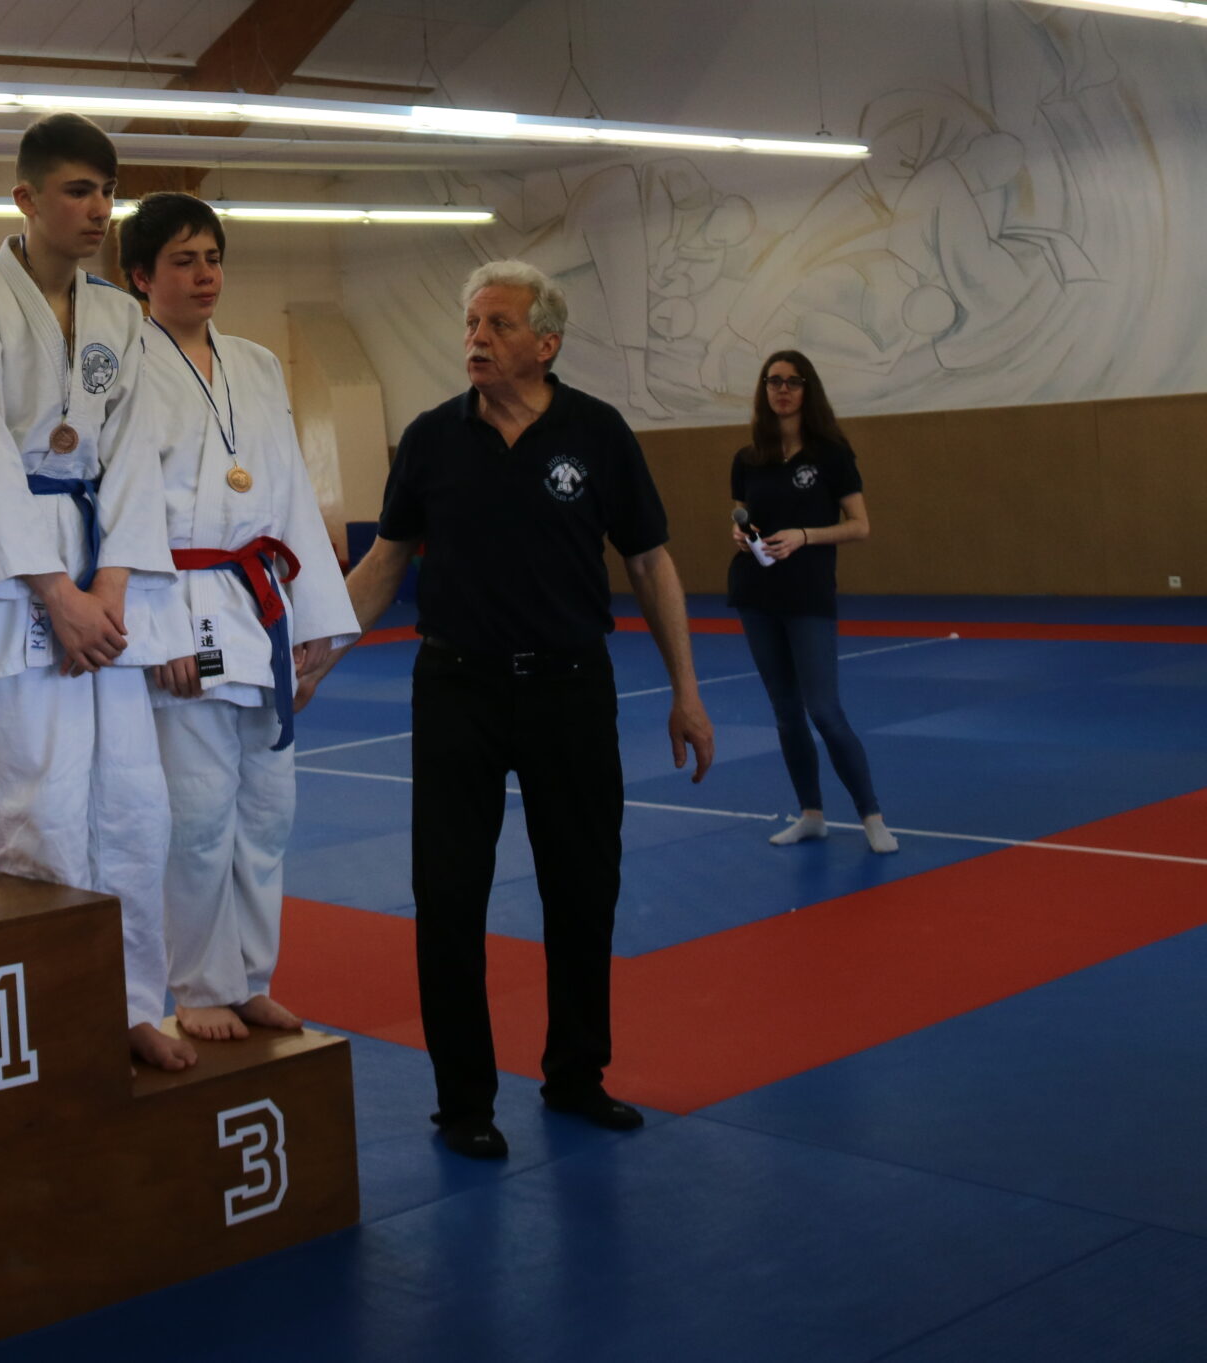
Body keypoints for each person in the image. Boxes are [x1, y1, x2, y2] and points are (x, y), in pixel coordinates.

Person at [342, 261, 715, 1161]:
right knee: (449, 895)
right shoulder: (432, 439)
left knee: (584, 890)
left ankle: (577, 1075)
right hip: (458, 688)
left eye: (498, 324)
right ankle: (463, 1099)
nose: (476, 337)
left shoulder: (598, 432)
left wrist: (688, 690)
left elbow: (651, 562)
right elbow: (387, 564)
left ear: (545, 343)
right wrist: (312, 656)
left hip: (569, 688)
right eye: (471, 321)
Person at [0, 115, 191, 1071]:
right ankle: (47, 1017)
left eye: (106, 193)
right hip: (17, 585)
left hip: (104, 571)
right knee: (40, 802)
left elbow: (133, 456)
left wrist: (113, 582)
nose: (97, 210)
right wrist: (55, 590)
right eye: (78, 191)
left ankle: (129, 1002)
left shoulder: (121, 316)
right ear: (26, 199)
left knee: (133, 802)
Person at [123, 192, 358, 1045]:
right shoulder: (122, 363)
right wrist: (159, 629)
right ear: (142, 275)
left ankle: (251, 973)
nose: (205, 274)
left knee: (267, 806)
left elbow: (291, 485)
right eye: (183, 260)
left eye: (214, 256)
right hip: (185, 601)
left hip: (260, 600)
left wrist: (316, 621)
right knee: (196, 809)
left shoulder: (256, 363)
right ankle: (196, 980)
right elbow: (123, 503)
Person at [730, 351, 894, 852]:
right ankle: (811, 814)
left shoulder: (830, 454)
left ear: (808, 389)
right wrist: (740, 535)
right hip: (756, 594)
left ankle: (872, 816)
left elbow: (860, 526)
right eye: (773, 381)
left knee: (824, 709)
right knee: (785, 712)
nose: (781, 389)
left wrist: (804, 535)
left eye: (792, 382)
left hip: (808, 595)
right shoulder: (748, 457)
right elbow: (739, 514)